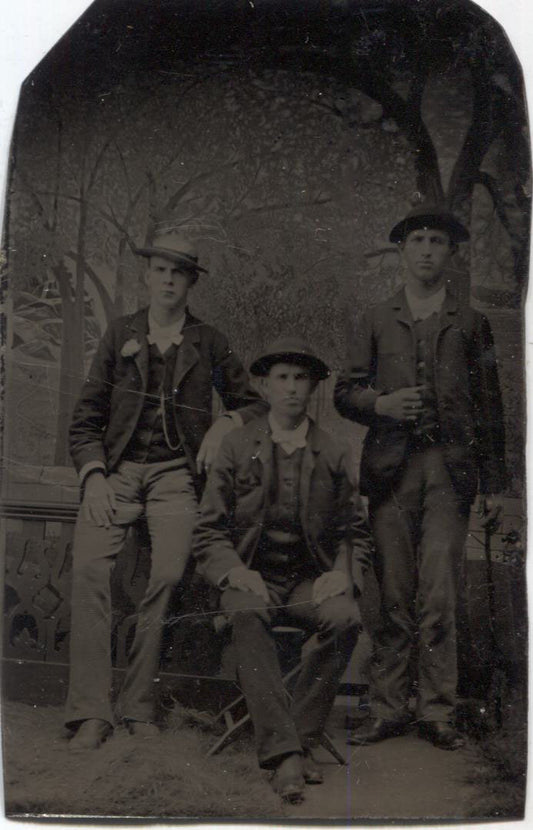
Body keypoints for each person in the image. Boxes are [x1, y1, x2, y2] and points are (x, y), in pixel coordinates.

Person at [65, 229, 266, 750]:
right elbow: (85, 420)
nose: (169, 280)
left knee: (169, 573)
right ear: (147, 276)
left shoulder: (209, 341)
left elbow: (256, 404)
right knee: (89, 568)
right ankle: (91, 712)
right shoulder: (119, 335)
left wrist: (226, 422)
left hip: (178, 476)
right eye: (160, 270)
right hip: (118, 473)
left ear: (191, 282)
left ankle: (137, 706)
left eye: (179, 272)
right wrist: (93, 476)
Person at [334, 204, 506, 751]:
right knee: (393, 593)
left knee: (438, 592)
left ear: (451, 253)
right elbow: (343, 392)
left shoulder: (471, 322)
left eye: (437, 241)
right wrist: (382, 402)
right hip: (391, 472)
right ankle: (387, 708)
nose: (427, 249)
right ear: (402, 252)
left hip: (451, 472)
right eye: (418, 241)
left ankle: (437, 711)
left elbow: (491, 409)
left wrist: (500, 487)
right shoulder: (375, 318)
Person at [193, 337, 372, 802]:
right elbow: (208, 531)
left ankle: (300, 738)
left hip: (306, 581)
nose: (292, 388)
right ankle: (286, 754)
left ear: (313, 388)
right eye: (282, 378)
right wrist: (234, 571)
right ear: (264, 386)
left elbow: (355, 533)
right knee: (246, 612)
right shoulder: (235, 447)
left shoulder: (332, 452)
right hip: (251, 578)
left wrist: (342, 571)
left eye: (301, 379)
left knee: (345, 616)